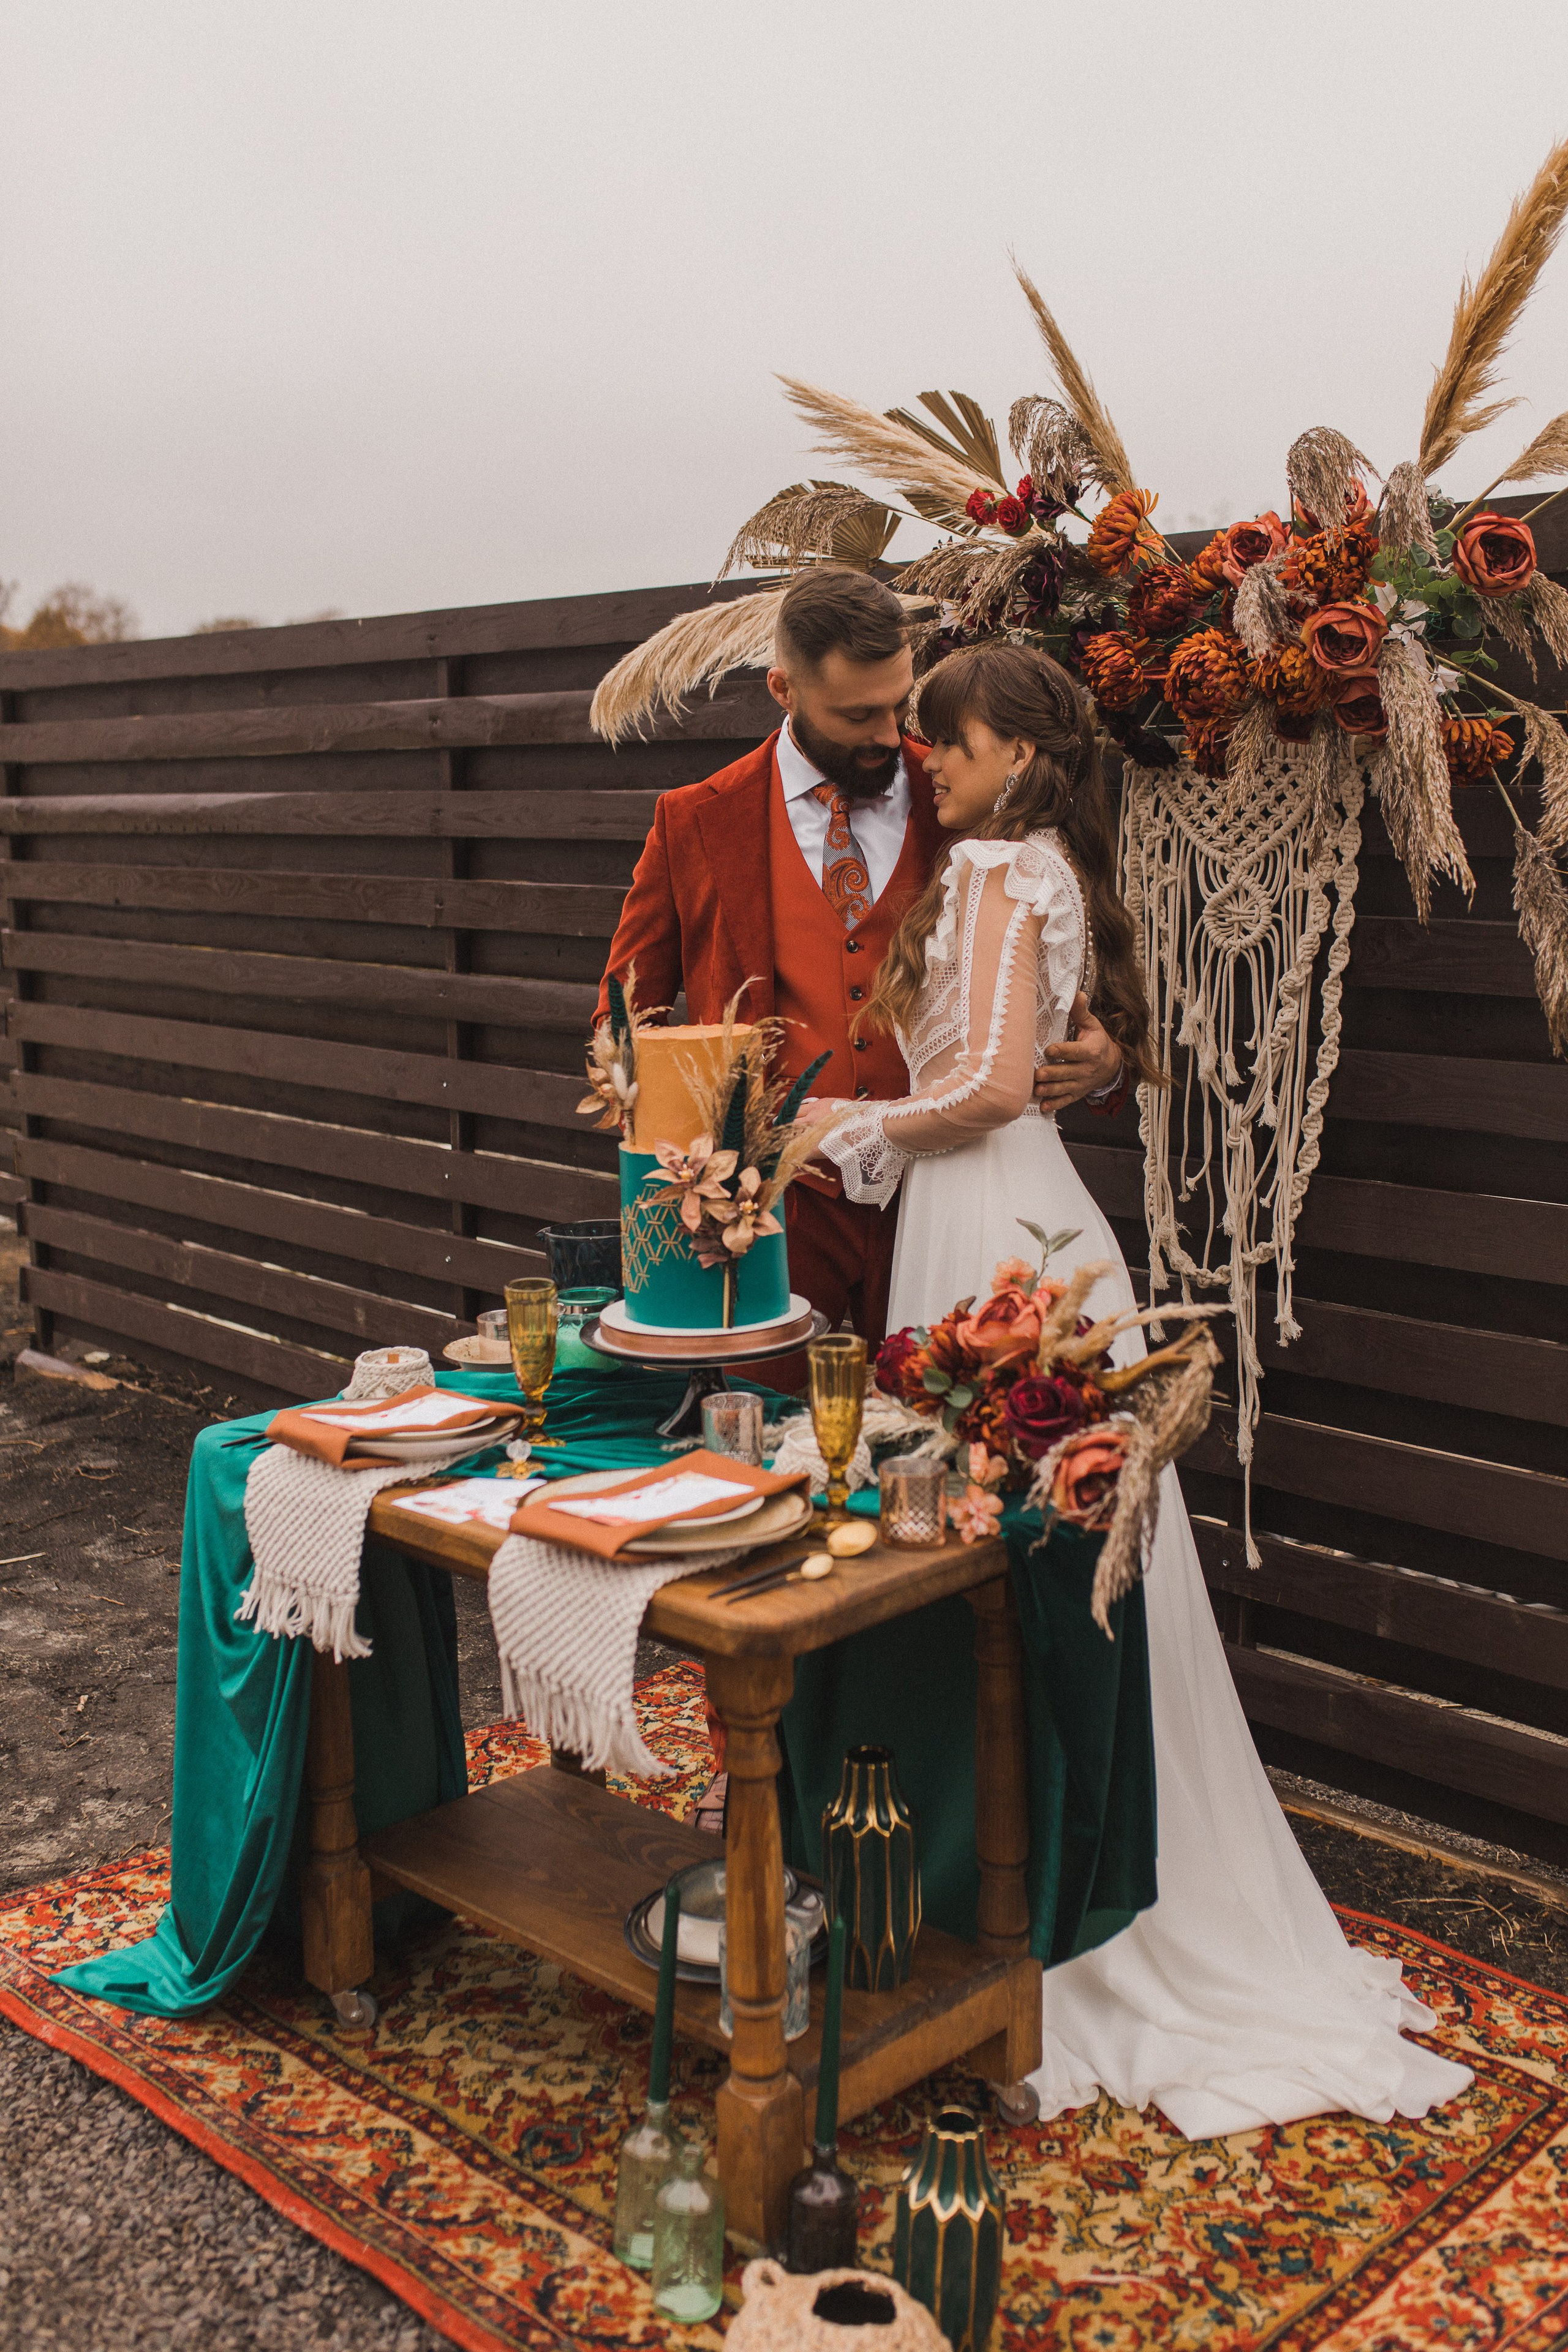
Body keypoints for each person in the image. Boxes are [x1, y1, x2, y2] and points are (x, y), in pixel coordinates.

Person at [807, 640, 1470, 2136]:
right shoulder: (1040, 865)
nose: (928, 759)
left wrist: (828, 1135)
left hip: (987, 1239)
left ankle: (1005, 1883)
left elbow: (977, 1090)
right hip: (1014, 1224)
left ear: (1015, 752)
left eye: (948, 741)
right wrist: (1074, 1060)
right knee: (1046, 1553)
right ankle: (1046, 1852)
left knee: (996, 1557)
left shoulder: (994, 873)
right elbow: (1044, 1060)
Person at [595, 570, 1125, 1370]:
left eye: (898, 705)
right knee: (764, 1439)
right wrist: (693, 1162)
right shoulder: (696, 821)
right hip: (777, 1213)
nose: (889, 735)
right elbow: (622, 1023)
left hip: (942, 1196)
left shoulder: (963, 793)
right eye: (857, 715)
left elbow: (1067, 967)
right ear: (784, 690)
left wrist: (1107, 1059)